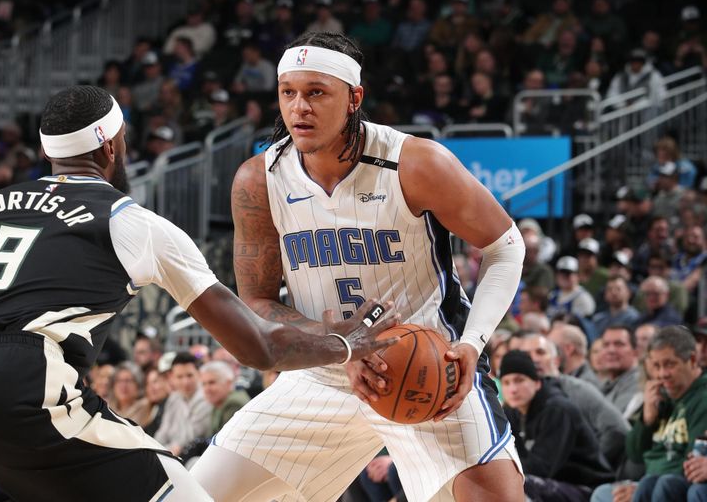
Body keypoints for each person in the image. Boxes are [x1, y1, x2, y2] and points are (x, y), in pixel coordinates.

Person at [0, 85, 398, 502]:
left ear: (49, 154)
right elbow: (257, 348)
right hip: (17, 381)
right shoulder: (131, 221)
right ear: (111, 148)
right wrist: (344, 342)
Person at [191, 32, 527, 502]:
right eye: (288, 92)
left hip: (428, 365)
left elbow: (506, 246)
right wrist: (335, 347)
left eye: (316, 92)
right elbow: (257, 300)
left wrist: (472, 343)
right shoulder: (258, 180)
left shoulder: (416, 163)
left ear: (354, 98)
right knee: (195, 496)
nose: (299, 107)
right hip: (322, 373)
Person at [590, 326, 707, 502]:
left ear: (691, 360)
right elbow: (634, 453)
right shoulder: (661, 396)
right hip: (649, 481)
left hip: (672, 484)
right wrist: (647, 420)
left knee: (661, 485)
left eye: (670, 364)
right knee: (603, 494)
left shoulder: (702, 398)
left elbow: (691, 464)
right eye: (656, 366)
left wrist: (640, 488)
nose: (662, 374)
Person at [500, 350, 612, 502]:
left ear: (537, 383)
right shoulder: (511, 412)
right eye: (506, 383)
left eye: (519, 380)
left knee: (519, 483)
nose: (512, 389)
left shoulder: (558, 410)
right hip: (553, 483)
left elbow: (541, 468)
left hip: (587, 488)